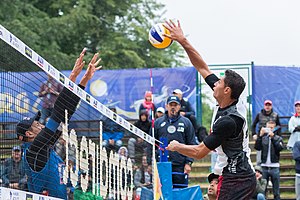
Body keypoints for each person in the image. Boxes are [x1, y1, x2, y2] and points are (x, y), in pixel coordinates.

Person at [163, 20, 256, 199]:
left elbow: (199, 152)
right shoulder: (229, 97)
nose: (215, 84)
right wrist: (183, 40)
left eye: (219, 82)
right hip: (230, 173)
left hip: (238, 177)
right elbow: (202, 67)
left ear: (227, 90)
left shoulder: (229, 121)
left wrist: (176, 146)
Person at [15, 48, 102, 199]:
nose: (40, 124)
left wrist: (84, 80)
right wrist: (73, 77)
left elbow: (65, 114)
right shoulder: (34, 150)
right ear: (28, 134)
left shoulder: (45, 148)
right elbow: (58, 113)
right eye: (36, 124)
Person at [150, 95, 196, 188]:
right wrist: (150, 162)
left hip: (180, 164)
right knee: (162, 191)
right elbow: (151, 144)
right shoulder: (157, 123)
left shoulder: (186, 122)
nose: (173, 107)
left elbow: (191, 143)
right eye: (171, 105)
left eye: (175, 105)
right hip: (161, 164)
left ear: (179, 107)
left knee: (179, 191)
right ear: (166, 106)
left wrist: (188, 163)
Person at [254, 120, 284, 200]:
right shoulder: (263, 137)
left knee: (276, 191)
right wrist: (260, 136)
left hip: (275, 167)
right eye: (268, 127)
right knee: (263, 191)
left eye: (272, 128)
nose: (270, 129)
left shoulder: (278, 138)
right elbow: (257, 147)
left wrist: (273, 137)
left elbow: (280, 148)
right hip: (264, 167)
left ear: (275, 128)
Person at [251, 100, 281, 165]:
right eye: (266, 105)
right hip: (261, 137)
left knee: (272, 154)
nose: (267, 107)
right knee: (259, 158)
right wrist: (254, 134)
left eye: (269, 105)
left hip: (272, 137)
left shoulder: (275, 115)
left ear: (271, 106)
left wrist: (278, 136)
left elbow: (279, 126)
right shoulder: (259, 114)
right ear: (264, 106)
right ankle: (259, 171)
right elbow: (253, 125)